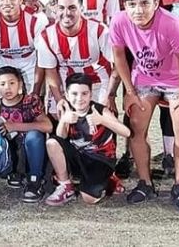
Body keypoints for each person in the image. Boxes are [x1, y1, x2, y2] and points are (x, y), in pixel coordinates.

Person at [108, 0, 179, 211]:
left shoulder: (173, 23)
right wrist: (129, 91)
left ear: (156, 3)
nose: (138, 10)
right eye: (132, 4)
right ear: (124, 6)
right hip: (145, 78)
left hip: (177, 80)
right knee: (136, 126)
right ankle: (145, 182)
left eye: (144, 3)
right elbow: (119, 57)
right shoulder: (118, 21)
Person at [45, 73, 131, 206]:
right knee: (52, 142)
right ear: (67, 95)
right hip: (79, 156)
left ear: (91, 94)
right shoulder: (68, 110)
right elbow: (60, 138)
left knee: (89, 199)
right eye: (74, 94)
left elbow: (127, 132)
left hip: (100, 159)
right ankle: (66, 186)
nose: (79, 98)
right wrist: (63, 121)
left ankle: (109, 180)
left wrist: (102, 120)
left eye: (84, 93)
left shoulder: (99, 110)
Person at [36, 0, 114, 116]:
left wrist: (110, 95)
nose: (66, 13)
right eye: (61, 8)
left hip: (97, 81)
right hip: (64, 82)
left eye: (72, 8)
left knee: (102, 120)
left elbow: (115, 64)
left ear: (82, 9)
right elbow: (50, 70)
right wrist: (59, 99)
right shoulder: (46, 36)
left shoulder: (99, 30)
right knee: (57, 117)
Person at [0, 66, 51, 202]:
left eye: (12, 83)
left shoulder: (30, 101)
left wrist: (15, 126)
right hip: (8, 151)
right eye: (2, 84)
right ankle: (13, 172)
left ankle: (35, 181)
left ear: (20, 84)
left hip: (29, 149)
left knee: (34, 136)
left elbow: (48, 126)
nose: (7, 88)